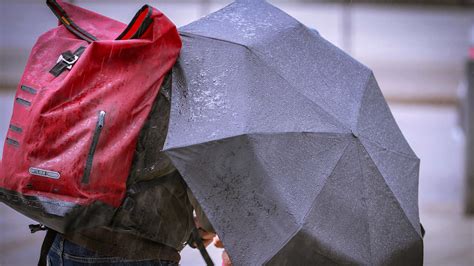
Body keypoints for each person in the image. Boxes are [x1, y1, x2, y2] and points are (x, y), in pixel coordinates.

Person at [42, 74, 223, 265]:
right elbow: (197, 158)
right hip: (136, 247)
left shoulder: (112, 55)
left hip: (65, 232)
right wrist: (209, 223)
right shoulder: (183, 67)